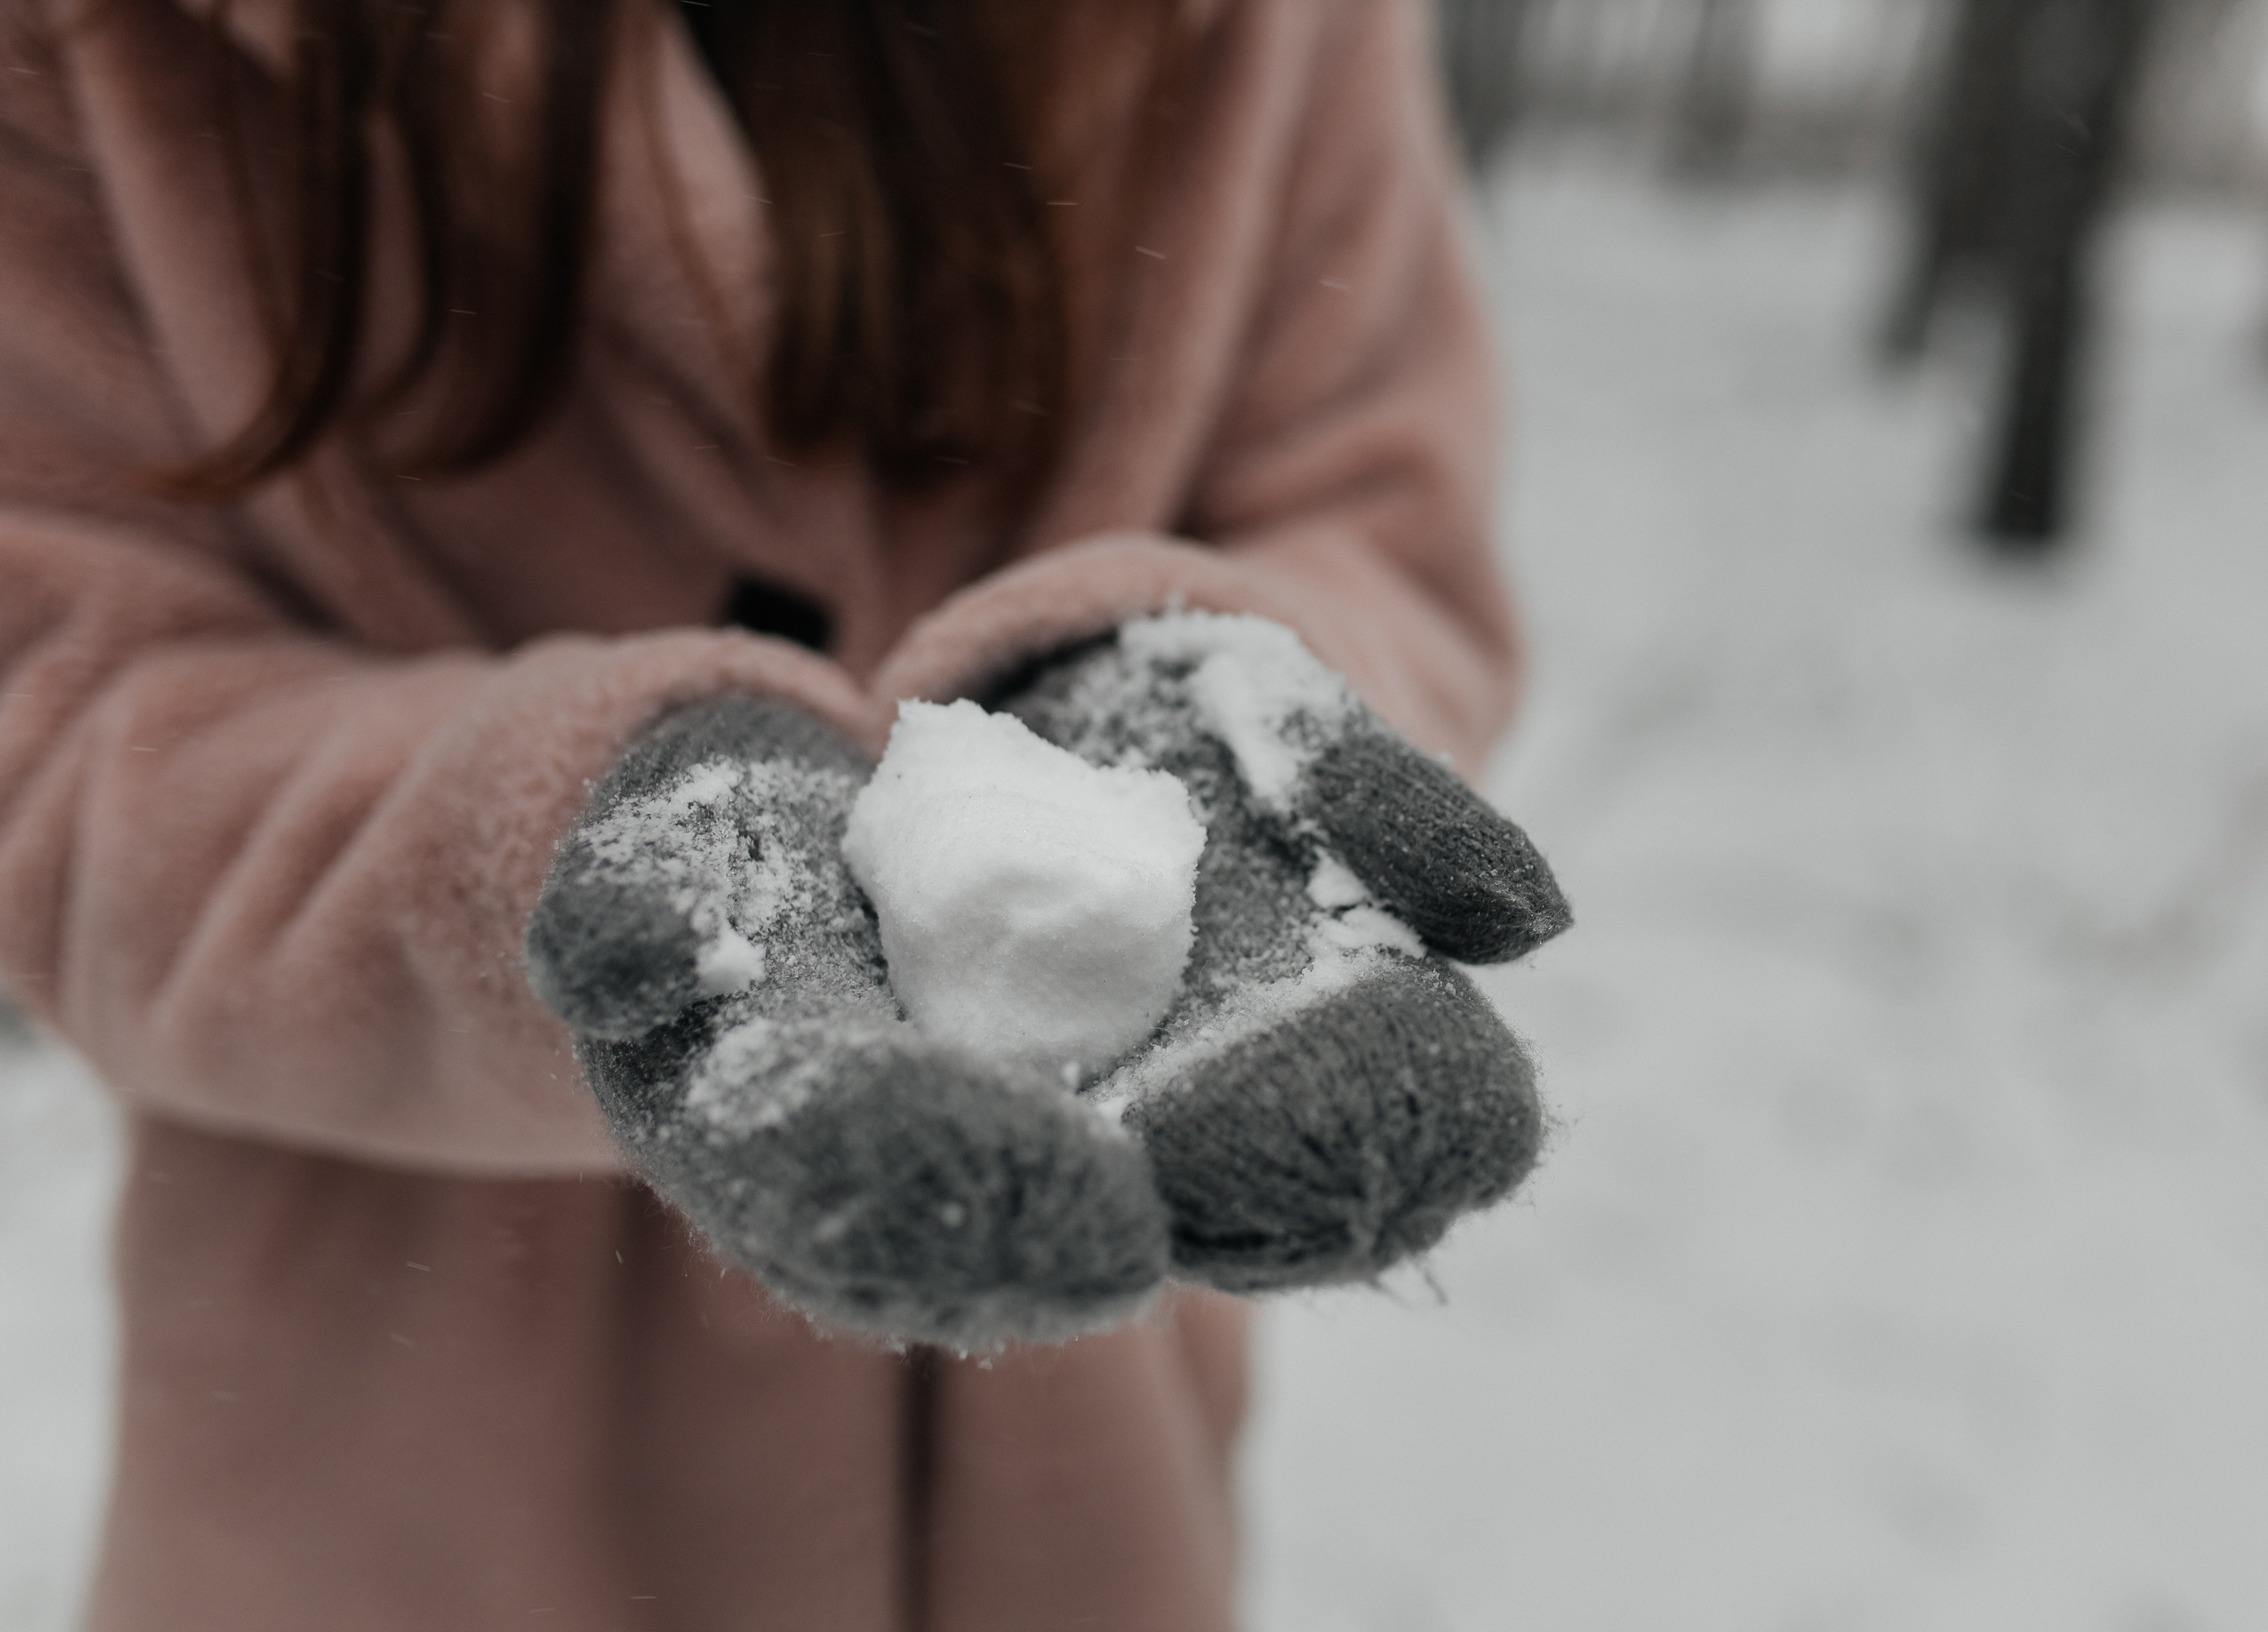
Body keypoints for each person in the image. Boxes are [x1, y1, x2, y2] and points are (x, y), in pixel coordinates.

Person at [0, 0, 1562, 1625]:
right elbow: (56, 714)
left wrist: (1206, 676)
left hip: (1056, 1495)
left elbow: (1375, 516)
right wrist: (545, 839)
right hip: (394, 1483)